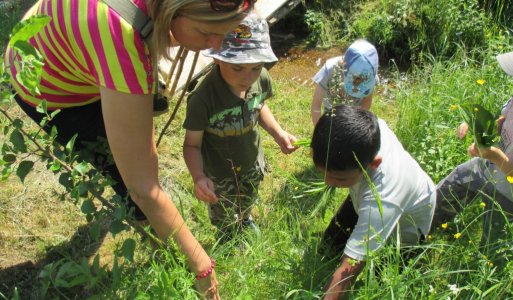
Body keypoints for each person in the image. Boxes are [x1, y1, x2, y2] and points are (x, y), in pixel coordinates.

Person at [4, 0, 257, 298]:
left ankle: (163, 238)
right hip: (47, 85)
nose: (215, 46)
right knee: (124, 176)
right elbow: (144, 187)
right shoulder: (121, 43)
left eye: (223, 34)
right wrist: (203, 268)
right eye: (206, 33)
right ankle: (166, 252)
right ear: (174, 9)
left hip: (54, 37)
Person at [183, 13, 297, 239]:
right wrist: (198, 177)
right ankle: (226, 231)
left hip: (251, 161)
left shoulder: (261, 78)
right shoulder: (202, 99)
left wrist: (278, 133)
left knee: (248, 196)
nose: (248, 77)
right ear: (217, 58)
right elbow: (191, 146)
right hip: (219, 173)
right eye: (237, 68)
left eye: (255, 67)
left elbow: (258, 105)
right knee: (223, 207)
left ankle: (245, 218)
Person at [310, 105, 436, 299]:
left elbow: (349, 268)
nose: (327, 182)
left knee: (381, 282)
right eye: (322, 172)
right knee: (328, 248)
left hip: (405, 229)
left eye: (339, 178)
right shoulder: (366, 129)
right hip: (362, 192)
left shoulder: (384, 197)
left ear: (373, 163)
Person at [434, 51, 513, 253]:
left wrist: (492, 154)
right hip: (486, 166)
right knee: (444, 193)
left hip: (508, 194)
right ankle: (420, 229)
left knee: (492, 248)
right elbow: (500, 123)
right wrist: (477, 125)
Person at [311, 39, 378, 126]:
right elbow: (316, 106)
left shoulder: (370, 75)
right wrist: (319, 130)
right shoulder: (329, 70)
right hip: (331, 112)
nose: (356, 86)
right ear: (343, 66)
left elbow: (366, 102)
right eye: (354, 81)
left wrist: (357, 122)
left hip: (354, 114)